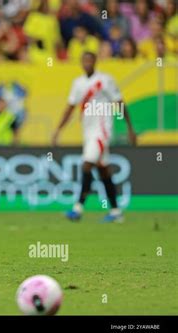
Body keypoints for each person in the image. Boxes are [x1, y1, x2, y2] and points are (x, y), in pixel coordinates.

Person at [52, 52, 136, 223]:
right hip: (88, 131)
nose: (87, 63)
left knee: (87, 164)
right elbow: (70, 107)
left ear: (95, 61)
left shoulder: (105, 80)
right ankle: (116, 211)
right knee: (103, 170)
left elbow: (119, 102)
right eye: (84, 60)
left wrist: (129, 127)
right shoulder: (78, 83)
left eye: (90, 60)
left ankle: (78, 208)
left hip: (102, 130)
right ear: (81, 63)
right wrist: (58, 130)